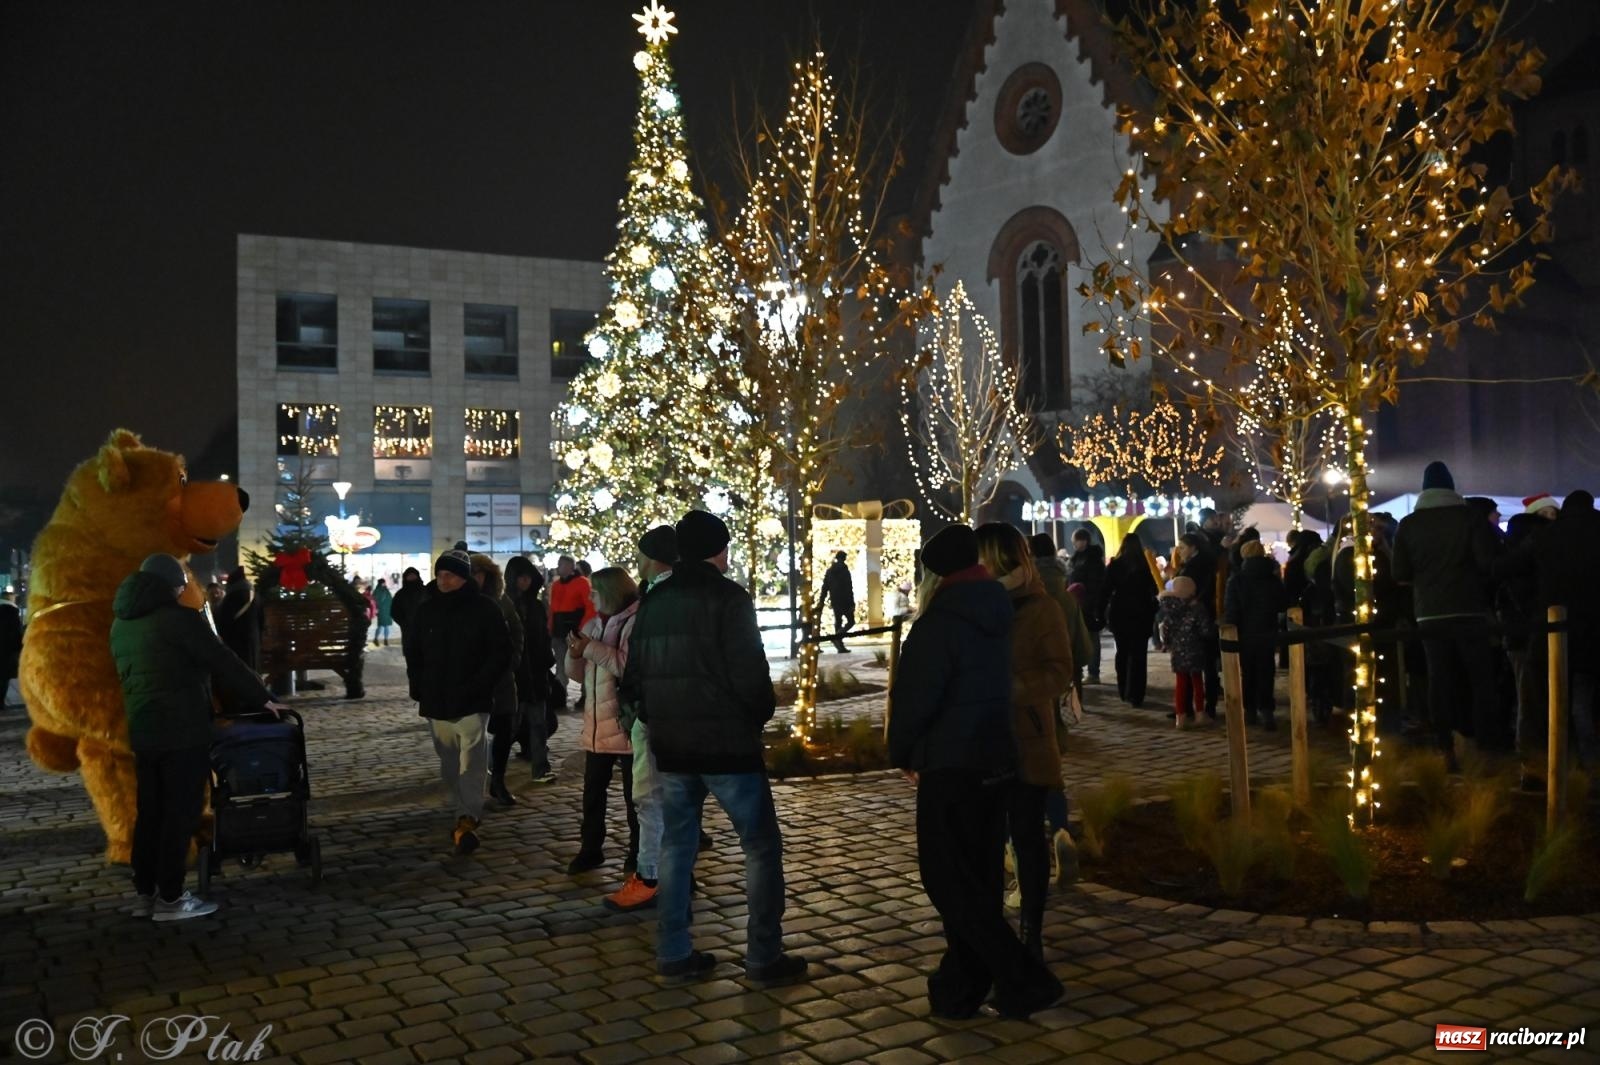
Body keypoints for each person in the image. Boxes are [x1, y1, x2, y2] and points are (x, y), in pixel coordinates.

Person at [888, 524, 1063, 1019]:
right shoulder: (997, 611)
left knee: (946, 878)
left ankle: (1023, 976)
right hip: (996, 758)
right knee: (980, 876)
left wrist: (901, 751)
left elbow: (916, 697)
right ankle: (961, 985)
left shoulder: (940, 622)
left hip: (951, 762)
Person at [621, 510, 803, 986]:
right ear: (720, 551)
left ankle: (674, 951)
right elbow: (750, 674)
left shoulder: (655, 602)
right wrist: (754, 717)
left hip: (673, 745)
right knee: (761, 847)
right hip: (728, 747)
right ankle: (764, 957)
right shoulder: (729, 597)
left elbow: (633, 677)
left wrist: (654, 718)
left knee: (677, 845)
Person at [109, 553, 287, 920]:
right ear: (171, 587)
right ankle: (172, 899)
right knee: (180, 812)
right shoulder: (179, 620)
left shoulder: (121, 623)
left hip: (143, 730)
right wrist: (263, 698)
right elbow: (221, 660)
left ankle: (146, 892)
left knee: (150, 812)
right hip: (182, 730)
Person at [976, 523, 1074, 962]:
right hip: (980, 740)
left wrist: (1008, 686)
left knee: (1028, 838)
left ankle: (1031, 933)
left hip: (1027, 739)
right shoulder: (972, 604)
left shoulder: (1040, 607)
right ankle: (991, 930)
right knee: (987, 840)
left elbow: (1059, 672)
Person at [1392, 461, 1505, 766]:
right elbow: (1485, 563)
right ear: (1452, 486)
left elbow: (1399, 573)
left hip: (1429, 613)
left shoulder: (1409, 523)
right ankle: (1485, 743)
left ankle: (1444, 746)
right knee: (1480, 679)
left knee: (1439, 679)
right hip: (1469, 609)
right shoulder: (1469, 518)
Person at [405, 549, 512, 855]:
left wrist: (481, 684)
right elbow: (413, 652)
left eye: (449, 574)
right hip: (436, 698)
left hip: (472, 699)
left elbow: (499, 653)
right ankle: (461, 806)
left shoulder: (484, 608)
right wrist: (419, 684)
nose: (443, 580)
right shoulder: (427, 610)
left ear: (463, 577)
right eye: (439, 574)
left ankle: (468, 815)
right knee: (449, 760)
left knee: (473, 759)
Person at [605, 525, 677, 912]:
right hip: (657, 710)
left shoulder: (661, 598)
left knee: (651, 799)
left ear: (651, 558)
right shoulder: (659, 595)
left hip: (656, 713)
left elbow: (643, 662)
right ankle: (662, 874)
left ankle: (652, 876)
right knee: (659, 800)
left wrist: (638, 705)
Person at [567, 566, 642, 875]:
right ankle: (590, 848)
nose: (590, 596)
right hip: (598, 724)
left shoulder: (634, 623)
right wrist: (574, 654)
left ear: (609, 592)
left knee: (634, 795)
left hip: (624, 723)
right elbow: (577, 675)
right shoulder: (595, 624)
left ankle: (638, 852)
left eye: (595, 591)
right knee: (593, 793)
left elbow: (627, 666)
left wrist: (591, 649)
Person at [470, 554, 524, 809]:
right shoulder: (460, 603)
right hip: (470, 680)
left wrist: (511, 661)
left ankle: (498, 781)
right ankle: (471, 786)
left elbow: (516, 631)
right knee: (472, 735)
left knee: (504, 730)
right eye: (471, 573)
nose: (476, 578)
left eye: (479, 573)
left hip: (501, 679)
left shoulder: (501, 601)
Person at [504, 556, 556, 784]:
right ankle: (495, 770)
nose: (524, 582)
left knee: (539, 723)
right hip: (516, 676)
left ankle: (541, 768)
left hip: (537, 673)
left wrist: (546, 661)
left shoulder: (536, 605)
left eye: (528, 578)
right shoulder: (506, 603)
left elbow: (544, 637)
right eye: (520, 578)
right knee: (510, 726)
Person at [1224, 540, 1287, 729]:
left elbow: (1232, 608)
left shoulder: (1237, 579)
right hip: (1267, 629)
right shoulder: (1273, 578)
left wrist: (1230, 628)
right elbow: (1282, 603)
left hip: (1245, 632)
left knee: (1248, 672)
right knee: (1266, 671)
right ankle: (1266, 709)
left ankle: (1249, 709)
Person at [1104, 532, 1159, 708]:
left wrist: (1100, 610)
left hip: (1120, 614)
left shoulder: (1115, 565)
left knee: (1122, 652)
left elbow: (1105, 589)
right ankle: (1137, 694)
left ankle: (1123, 689)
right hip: (1141, 615)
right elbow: (1153, 589)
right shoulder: (1144, 566)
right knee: (1139, 655)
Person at [1159, 576, 1212, 729]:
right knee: (1197, 682)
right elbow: (1206, 630)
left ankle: (1180, 717)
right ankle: (1200, 713)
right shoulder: (1197, 608)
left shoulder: (1170, 608)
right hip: (1195, 648)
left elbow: (1166, 630)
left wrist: (1168, 644)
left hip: (1177, 650)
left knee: (1181, 683)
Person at [549, 555, 596, 709]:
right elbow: (552, 610)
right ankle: (560, 695)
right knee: (561, 665)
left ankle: (585, 695)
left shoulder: (582, 583)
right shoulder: (556, 585)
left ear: (570, 567)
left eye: (561, 564)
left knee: (583, 664)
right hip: (560, 630)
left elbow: (589, 608)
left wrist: (583, 629)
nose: (558, 566)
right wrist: (551, 628)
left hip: (576, 630)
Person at [1066, 528, 1106, 682]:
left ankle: (1093, 672)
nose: (1074, 544)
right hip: (1077, 602)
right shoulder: (1076, 558)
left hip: (1088, 603)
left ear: (1083, 541)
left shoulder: (1092, 559)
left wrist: (1092, 602)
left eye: (1075, 540)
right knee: (1079, 637)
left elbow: (1095, 583)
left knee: (1091, 637)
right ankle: (1080, 670)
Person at [215, 567, 262, 673]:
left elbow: (223, 622)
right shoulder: (256, 596)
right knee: (252, 671)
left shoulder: (231, 598)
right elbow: (261, 620)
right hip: (253, 642)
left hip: (235, 643)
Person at [818, 550, 856, 653]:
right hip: (845, 600)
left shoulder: (830, 571)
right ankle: (837, 638)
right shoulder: (844, 570)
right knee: (851, 621)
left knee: (838, 621)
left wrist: (821, 600)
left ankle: (839, 644)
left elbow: (825, 587)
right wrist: (852, 602)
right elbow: (848, 588)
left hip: (835, 600)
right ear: (843, 558)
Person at [391, 566, 425, 648]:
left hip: (426, 632)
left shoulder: (426, 591)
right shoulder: (400, 594)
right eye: (409, 576)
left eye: (414, 576)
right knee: (411, 654)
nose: (412, 578)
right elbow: (394, 612)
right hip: (408, 633)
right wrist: (405, 623)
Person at [1, 586, 22, 708]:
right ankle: (1, 703)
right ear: (9, 597)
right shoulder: (12, 612)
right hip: (6, 651)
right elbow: (15, 633)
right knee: (4, 678)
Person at [373, 578, 394, 647]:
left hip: (387, 611)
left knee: (386, 626)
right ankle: (376, 639)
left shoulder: (385, 590)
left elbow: (390, 599)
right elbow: (375, 601)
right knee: (380, 626)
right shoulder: (377, 591)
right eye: (384, 583)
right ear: (381, 583)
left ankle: (385, 640)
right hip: (382, 611)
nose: (385, 584)